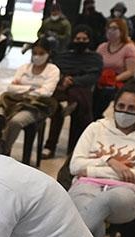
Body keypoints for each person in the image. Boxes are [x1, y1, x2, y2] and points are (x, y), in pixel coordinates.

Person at [69, 81, 135, 237]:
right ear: (114, 105)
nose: (124, 111)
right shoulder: (96, 128)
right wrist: (111, 161)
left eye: (131, 108)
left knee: (103, 201)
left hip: (127, 194)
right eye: (121, 106)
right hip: (87, 185)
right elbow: (75, 166)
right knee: (92, 217)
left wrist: (91, 169)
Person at [0, 39, 59, 156]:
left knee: (16, 121)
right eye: (35, 53)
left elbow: (47, 92)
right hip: (14, 101)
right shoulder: (24, 67)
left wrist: (21, 87)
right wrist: (32, 89)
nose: (37, 56)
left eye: (41, 53)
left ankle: (3, 150)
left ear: (48, 53)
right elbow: (11, 88)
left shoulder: (53, 70)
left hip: (37, 105)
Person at [43, 26, 103, 158]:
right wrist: (64, 79)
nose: (81, 41)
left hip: (81, 88)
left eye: (84, 39)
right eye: (78, 38)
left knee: (79, 102)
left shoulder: (95, 58)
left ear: (89, 40)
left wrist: (73, 80)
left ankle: (75, 146)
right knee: (58, 108)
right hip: (62, 88)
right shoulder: (65, 56)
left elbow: (92, 77)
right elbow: (55, 70)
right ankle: (51, 145)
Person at [91, 17, 135, 120]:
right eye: (109, 28)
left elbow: (130, 71)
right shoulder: (102, 47)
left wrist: (112, 80)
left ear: (122, 31)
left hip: (120, 79)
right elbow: (95, 65)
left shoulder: (129, 48)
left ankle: (96, 115)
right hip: (101, 77)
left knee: (106, 92)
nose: (111, 31)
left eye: (115, 28)